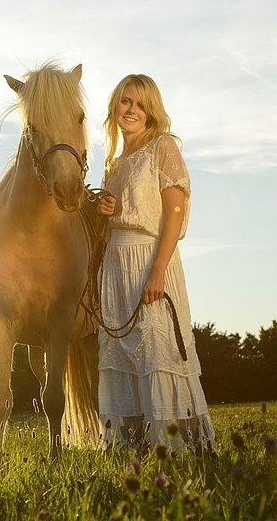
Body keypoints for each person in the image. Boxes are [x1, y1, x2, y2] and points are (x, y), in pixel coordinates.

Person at [97, 73, 215, 452]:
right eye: (126, 101)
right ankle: (133, 451)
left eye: (140, 104)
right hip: (115, 267)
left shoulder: (162, 147)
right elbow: (116, 218)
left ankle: (177, 451)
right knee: (124, 359)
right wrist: (105, 208)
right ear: (115, 106)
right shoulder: (114, 162)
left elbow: (174, 213)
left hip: (150, 260)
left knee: (158, 354)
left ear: (152, 112)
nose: (131, 110)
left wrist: (158, 271)